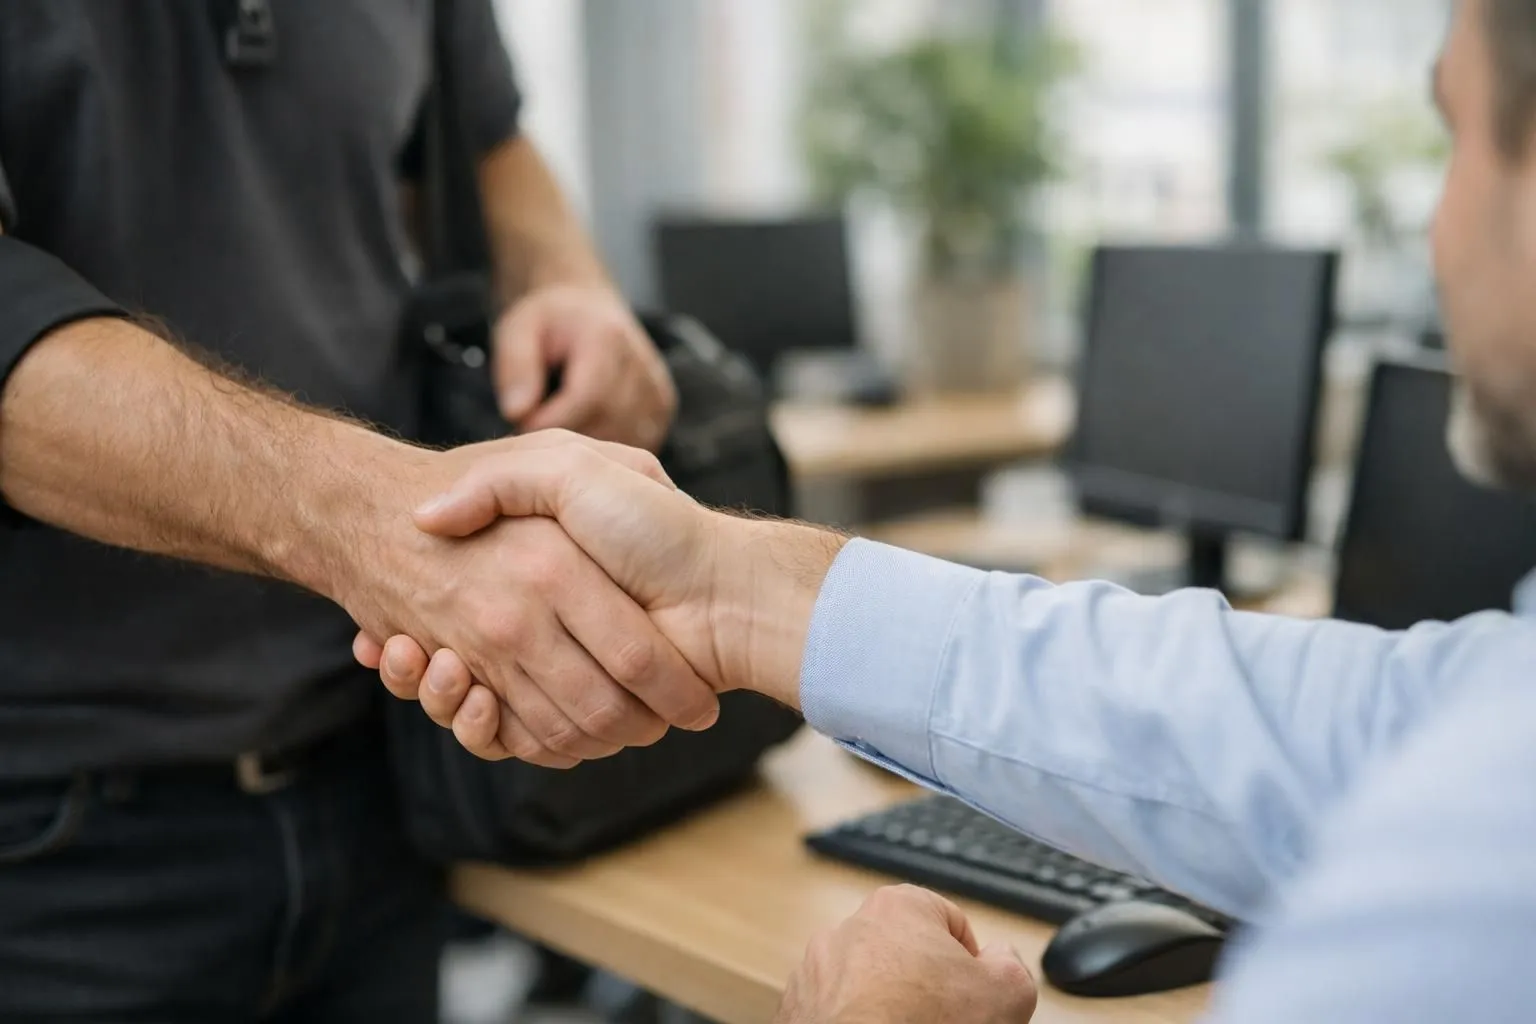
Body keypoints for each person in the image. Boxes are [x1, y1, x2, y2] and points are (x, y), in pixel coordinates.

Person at [364, 1, 1536, 1020]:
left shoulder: (1463, 886)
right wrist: (729, 588)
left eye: (1454, 137)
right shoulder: (1489, 729)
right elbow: (1331, 728)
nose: (1435, 229)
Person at [0, 4, 722, 1021]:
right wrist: (369, 521)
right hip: (48, 839)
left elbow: (485, 141)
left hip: (375, 783)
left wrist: (568, 286)